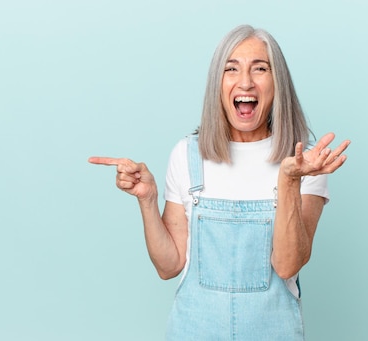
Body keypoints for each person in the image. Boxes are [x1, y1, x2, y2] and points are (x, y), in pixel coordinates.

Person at [89, 24, 350, 340]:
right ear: (218, 83)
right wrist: (147, 199)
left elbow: (287, 264)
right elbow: (168, 266)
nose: (245, 82)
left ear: (277, 82)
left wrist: (290, 179)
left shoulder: (305, 161)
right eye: (231, 69)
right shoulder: (188, 155)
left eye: (260, 69)